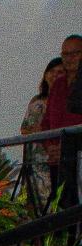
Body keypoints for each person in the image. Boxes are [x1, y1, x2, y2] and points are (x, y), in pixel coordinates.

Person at [42, 34, 82, 205]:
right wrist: (50, 148)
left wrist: (67, 149)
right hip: (57, 163)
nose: (68, 58)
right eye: (65, 54)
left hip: (78, 162)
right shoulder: (58, 84)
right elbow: (46, 123)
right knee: (61, 210)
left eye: (74, 54)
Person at [20, 57, 63, 210]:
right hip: (35, 160)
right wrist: (38, 130)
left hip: (53, 158)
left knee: (53, 202)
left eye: (59, 72)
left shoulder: (66, 102)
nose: (54, 75)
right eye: (51, 71)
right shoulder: (37, 100)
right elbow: (24, 129)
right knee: (33, 203)